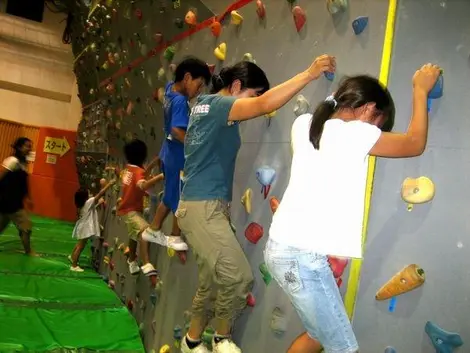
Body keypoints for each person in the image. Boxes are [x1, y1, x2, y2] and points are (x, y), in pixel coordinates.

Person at [264, 63, 441, 353]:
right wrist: (420, 90)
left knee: (318, 336)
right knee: (343, 347)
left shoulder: (304, 124)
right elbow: (414, 143)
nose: (375, 133)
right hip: (301, 255)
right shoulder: (354, 133)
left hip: (282, 250)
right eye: (379, 125)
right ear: (368, 110)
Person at [176, 55, 336, 353]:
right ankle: (221, 337)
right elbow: (266, 105)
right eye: (251, 94)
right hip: (202, 207)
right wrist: (309, 73)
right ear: (236, 86)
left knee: (212, 282)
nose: (253, 104)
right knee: (238, 278)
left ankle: (191, 341)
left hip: (202, 205)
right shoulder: (220, 105)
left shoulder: (204, 106)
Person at [143, 56, 211, 243]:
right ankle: (174, 236)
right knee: (180, 196)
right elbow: (176, 129)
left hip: (168, 152)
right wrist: (195, 144)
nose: (199, 90)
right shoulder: (181, 101)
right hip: (177, 154)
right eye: (199, 84)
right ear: (187, 78)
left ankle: (155, 228)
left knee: (171, 192)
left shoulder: (170, 88)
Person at [117, 139, 188, 276]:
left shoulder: (128, 169)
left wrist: (152, 165)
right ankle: (146, 264)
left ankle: (132, 261)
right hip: (131, 211)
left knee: (133, 235)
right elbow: (143, 185)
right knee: (145, 232)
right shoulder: (138, 172)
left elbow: (142, 175)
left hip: (128, 210)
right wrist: (160, 177)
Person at [69, 179, 116, 272]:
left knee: (79, 244)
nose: (90, 193)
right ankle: (74, 266)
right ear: (85, 197)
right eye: (88, 193)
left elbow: (90, 210)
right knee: (80, 247)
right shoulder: (89, 201)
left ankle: (72, 257)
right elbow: (100, 193)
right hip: (84, 228)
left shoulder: (82, 205)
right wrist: (109, 184)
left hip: (82, 227)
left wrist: (99, 203)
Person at [0, 137, 35, 255]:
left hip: (13, 203)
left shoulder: (23, 163)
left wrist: (28, 197)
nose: (30, 149)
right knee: (26, 227)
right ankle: (28, 251)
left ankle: (28, 250)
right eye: (27, 146)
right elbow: (1, 176)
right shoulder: (12, 161)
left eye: (30, 146)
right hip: (8, 202)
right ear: (20, 147)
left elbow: (24, 183)